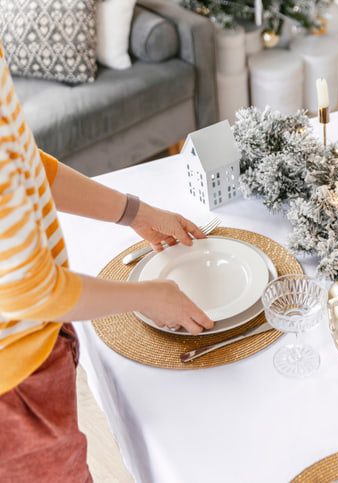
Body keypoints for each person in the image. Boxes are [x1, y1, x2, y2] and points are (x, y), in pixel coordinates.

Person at [0, 45, 214, 481]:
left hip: (31, 352)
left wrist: (137, 212)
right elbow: (34, 291)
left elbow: (25, 163)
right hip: (13, 392)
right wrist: (150, 297)